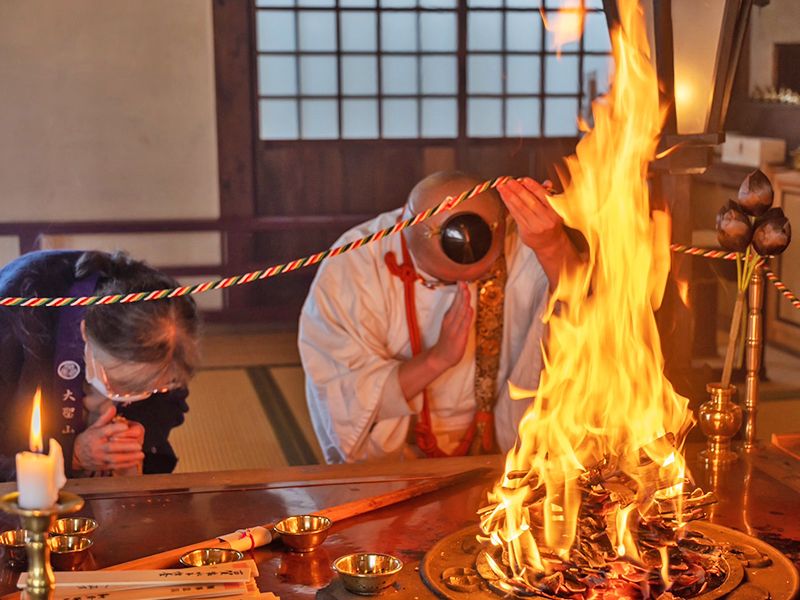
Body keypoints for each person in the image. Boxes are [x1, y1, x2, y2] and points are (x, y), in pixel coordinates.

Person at [299, 171, 581, 463]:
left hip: (502, 452)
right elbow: (340, 394)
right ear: (408, 241)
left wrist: (552, 245)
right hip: (398, 459)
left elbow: (585, 317)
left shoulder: (524, 240)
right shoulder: (357, 261)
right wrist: (438, 359)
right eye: (438, 281)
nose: (463, 290)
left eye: (482, 276)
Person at [0, 250, 200, 481]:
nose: (127, 397)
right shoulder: (16, 317)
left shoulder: (166, 315)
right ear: (85, 331)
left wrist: (135, 438)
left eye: (152, 388)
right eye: (120, 384)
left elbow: (167, 405)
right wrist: (70, 456)